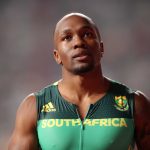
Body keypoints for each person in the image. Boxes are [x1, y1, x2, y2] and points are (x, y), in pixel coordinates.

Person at [8, 12, 150, 150]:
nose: (78, 42)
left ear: (101, 48)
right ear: (57, 56)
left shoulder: (135, 104)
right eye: (67, 37)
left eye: (87, 34)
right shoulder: (33, 107)